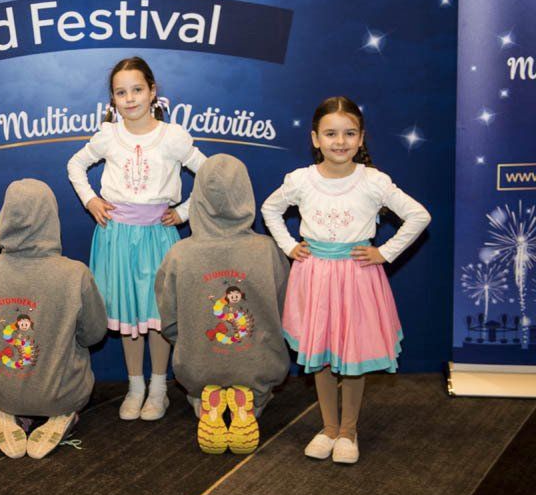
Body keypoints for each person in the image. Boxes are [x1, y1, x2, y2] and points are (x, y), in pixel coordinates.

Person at [261, 96, 430, 464]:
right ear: (315, 138)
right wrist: (290, 246)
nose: (340, 141)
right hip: (315, 276)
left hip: (357, 278)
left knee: (353, 355)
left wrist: (384, 252)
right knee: (320, 356)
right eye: (331, 133)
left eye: (349, 133)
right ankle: (328, 428)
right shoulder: (301, 180)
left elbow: (418, 216)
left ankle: (348, 432)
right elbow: (270, 209)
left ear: (361, 137)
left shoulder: (373, 181)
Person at [67, 56, 205, 420]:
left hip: (159, 238)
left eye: (137, 90)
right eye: (120, 92)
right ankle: (135, 386)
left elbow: (209, 174)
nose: (129, 99)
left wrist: (185, 212)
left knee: (156, 315)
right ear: (112, 99)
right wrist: (91, 200)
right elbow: (75, 165)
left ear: (152, 91)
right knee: (129, 317)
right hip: (116, 238)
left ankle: (159, 388)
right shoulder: (109, 135)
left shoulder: (172, 137)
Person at [157, 154, 290, 455]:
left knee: (197, 366)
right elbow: (285, 310)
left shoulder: (179, 254)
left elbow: (169, 320)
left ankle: (205, 400)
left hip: (197, 365)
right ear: (246, 195)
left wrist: (187, 341)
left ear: (198, 198)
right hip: (258, 364)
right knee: (258, 366)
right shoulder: (267, 250)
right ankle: (251, 401)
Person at [0, 179, 107, 459]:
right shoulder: (75, 273)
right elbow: (95, 333)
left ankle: (6, 410)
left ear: (6, 217)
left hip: (0, 391)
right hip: (61, 392)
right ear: (51, 218)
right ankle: (62, 415)